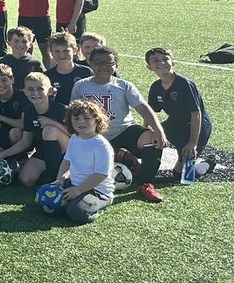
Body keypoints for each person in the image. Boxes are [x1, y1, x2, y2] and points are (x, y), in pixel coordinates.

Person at [70, 47, 169, 203]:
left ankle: (145, 183)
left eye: (108, 63)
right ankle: (121, 157)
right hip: (94, 136)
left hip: (122, 130)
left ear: (116, 65)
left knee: (152, 139)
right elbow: (73, 113)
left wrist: (158, 130)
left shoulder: (124, 85)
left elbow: (143, 108)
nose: (103, 66)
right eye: (98, 62)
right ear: (90, 63)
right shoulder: (81, 86)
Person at [145, 47, 213, 181]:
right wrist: (145, 130)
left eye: (165, 59)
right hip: (175, 123)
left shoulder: (184, 84)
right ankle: (146, 168)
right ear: (149, 67)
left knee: (182, 176)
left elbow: (196, 114)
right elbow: (150, 112)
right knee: (149, 138)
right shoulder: (156, 87)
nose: (161, 63)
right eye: (155, 60)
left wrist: (193, 143)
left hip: (195, 127)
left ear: (173, 62)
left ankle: (206, 165)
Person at [54, 99, 116, 224]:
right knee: (48, 194)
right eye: (76, 118)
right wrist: (60, 180)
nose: (81, 121)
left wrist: (78, 190)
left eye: (87, 118)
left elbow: (100, 174)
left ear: (96, 121)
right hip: (75, 184)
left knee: (76, 212)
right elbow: (66, 162)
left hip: (98, 191)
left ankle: (99, 208)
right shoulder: (74, 139)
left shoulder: (101, 145)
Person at [14, 72, 69, 188]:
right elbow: (25, 142)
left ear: (50, 91)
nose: (35, 93)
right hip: (44, 151)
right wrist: (2, 154)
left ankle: (53, 178)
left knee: (49, 131)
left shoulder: (62, 109)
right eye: (30, 89)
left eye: (40, 89)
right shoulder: (29, 110)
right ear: (24, 91)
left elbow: (76, 135)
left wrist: (52, 123)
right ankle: (49, 176)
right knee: (26, 180)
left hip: (68, 152)